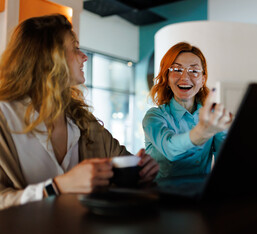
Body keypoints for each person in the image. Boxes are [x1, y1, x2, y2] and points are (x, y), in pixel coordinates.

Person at [0, 14, 159, 210]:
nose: (84, 56)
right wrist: (57, 187)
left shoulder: (81, 120)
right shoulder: (3, 118)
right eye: (75, 48)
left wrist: (140, 170)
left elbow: (120, 163)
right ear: (49, 57)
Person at [142, 42, 233, 179]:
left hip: (202, 197)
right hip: (162, 197)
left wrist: (226, 129)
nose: (184, 77)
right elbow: (170, 149)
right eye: (177, 70)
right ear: (167, 77)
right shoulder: (154, 117)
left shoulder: (211, 116)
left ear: (202, 80)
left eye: (194, 71)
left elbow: (226, 162)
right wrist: (202, 131)